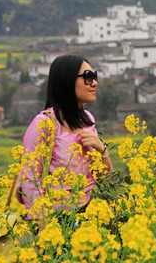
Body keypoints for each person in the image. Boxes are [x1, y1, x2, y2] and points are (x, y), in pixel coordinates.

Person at [16, 54, 112, 222]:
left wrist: (102, 149)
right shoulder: (43, 124)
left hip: (84, 214)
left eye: (94, 77)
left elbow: (103, 178)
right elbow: (29, 178)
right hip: (52, 218)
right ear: (67, 82)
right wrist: (42, 222)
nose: (95, 83)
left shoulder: (87, 120)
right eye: (88, 77)